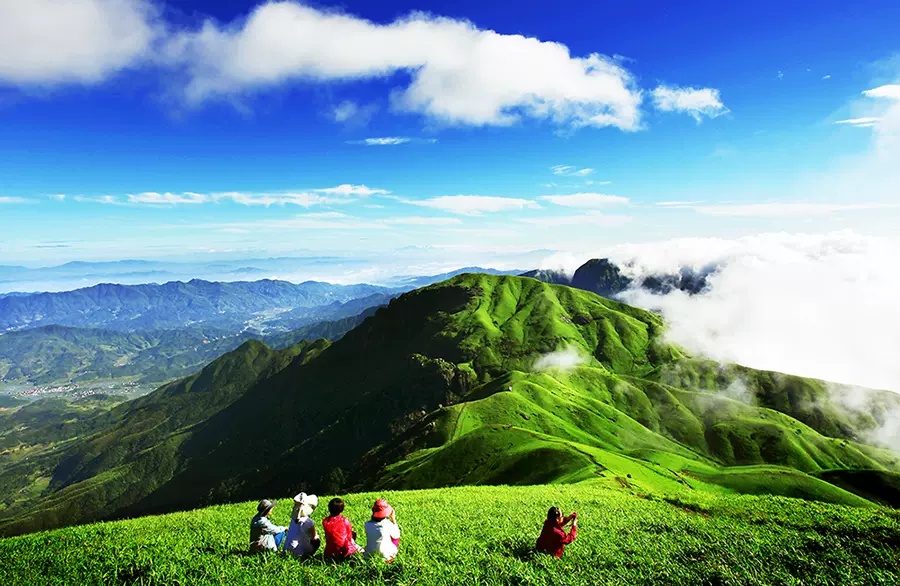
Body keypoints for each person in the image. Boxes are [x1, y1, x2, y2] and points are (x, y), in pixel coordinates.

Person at [364, 498, 401, 563]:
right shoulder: (387, 523)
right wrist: (393, 520)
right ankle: (392, 555)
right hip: (385, 556)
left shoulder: (367, 524)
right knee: (395, 538)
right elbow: (396, 535)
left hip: (369, 555)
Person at [284, 492, 320, 558]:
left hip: (286, 549)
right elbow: (314, 536)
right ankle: (309, 555)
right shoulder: (308, 521)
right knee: (317, 540)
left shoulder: (293, 519)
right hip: (297, 552)